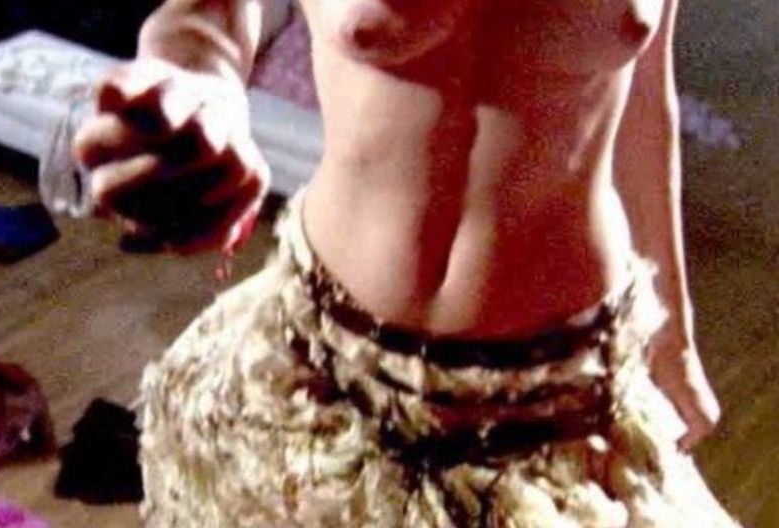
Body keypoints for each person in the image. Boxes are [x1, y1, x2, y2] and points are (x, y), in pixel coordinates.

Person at [73, 0, 739, 525]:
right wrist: (194, 85)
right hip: (329, 371)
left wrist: (675, 340)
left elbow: (647, 101)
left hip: (566, 399)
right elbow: (207, 18)